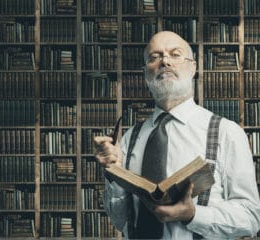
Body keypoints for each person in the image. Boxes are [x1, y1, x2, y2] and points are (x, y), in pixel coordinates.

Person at [93, 31, 260, 239]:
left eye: (175, 54)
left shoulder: (227, 133)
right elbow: (121, 222)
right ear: (145, 73)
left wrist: (193, 215)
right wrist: (113, 173)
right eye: (154, 57)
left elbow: (251, 218)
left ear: (193, 67)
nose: (165, 61)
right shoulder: (129, 139)